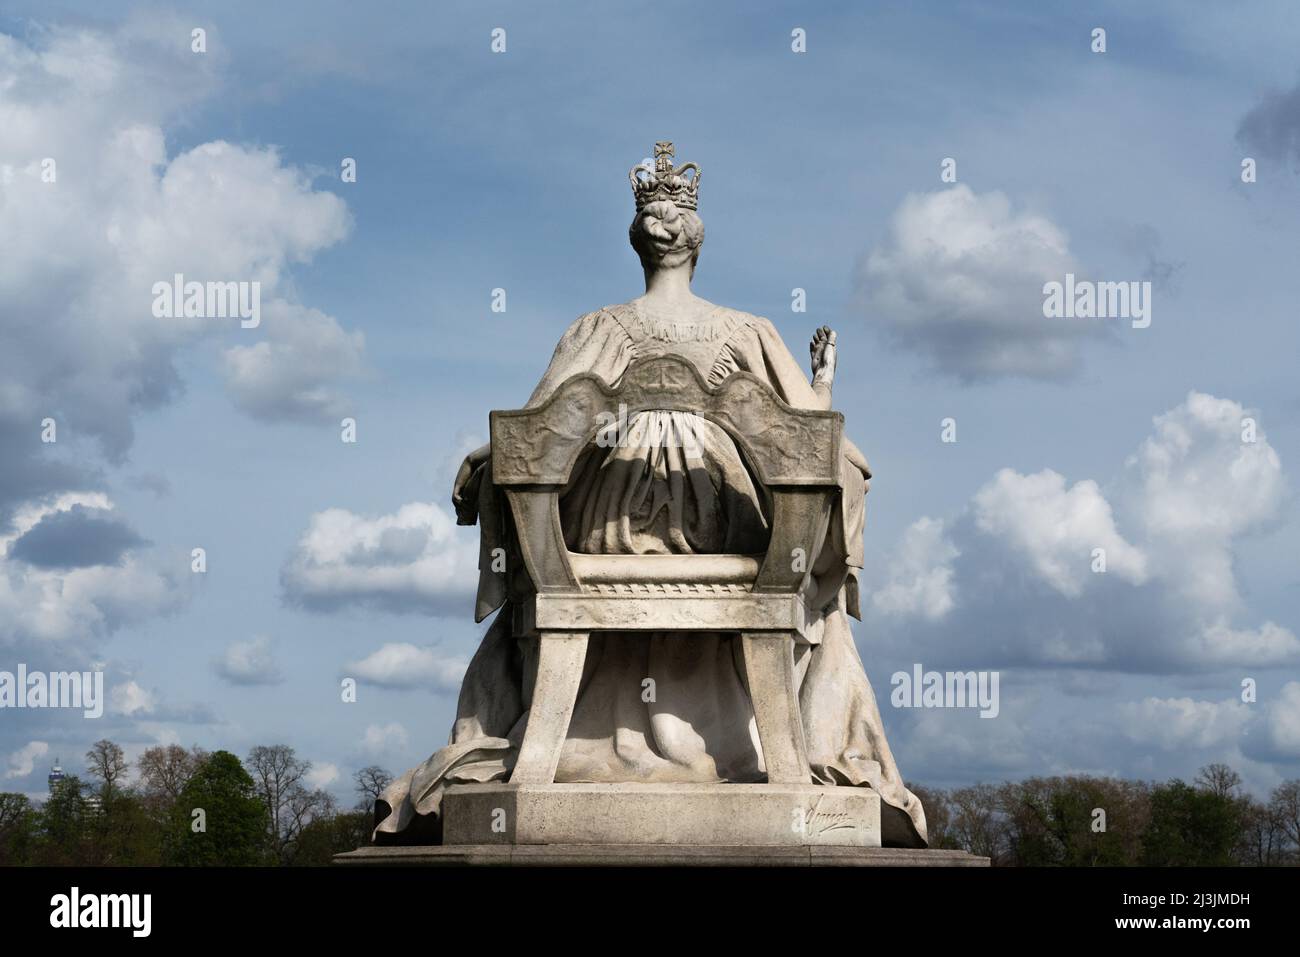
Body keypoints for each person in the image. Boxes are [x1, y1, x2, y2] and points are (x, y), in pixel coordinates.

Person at [375, 143, 927, 847]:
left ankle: (557, 733)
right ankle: (764, 746)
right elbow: (820, 444)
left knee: (552, 534)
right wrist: (823, 387)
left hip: (600, 540)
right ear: (695, 246)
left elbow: (527, 432)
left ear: (640, 245)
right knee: (801, 558)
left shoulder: (595, 330)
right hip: (722, 537)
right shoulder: (748, 331)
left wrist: (482, 463)